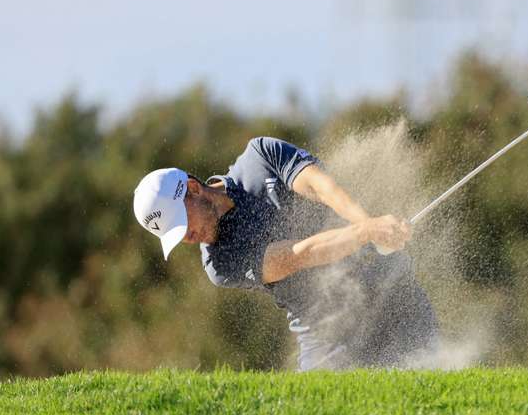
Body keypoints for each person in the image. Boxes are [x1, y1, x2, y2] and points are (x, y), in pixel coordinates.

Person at [133, 136, 438, 370]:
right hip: (328, 333)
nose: (186, 236)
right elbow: (297, 255)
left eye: (182, 222)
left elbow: (322, 188)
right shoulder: (219, 262)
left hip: (392, 292)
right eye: (174, 234)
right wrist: (367, 231)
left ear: (194, 189)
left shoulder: (260, 157)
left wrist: (370, 224)